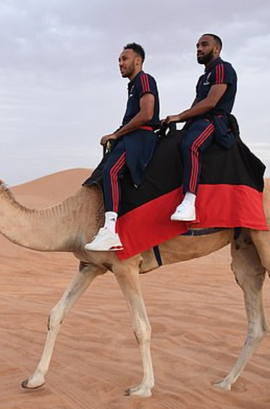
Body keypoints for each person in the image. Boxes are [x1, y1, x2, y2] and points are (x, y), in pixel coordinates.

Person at [85, 42, 160, 251]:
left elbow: (146, 114)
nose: (120, 63)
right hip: (131, 137)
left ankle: (110, 231)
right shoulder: (133, 86)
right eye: (119, 60)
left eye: (124, 59)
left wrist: (117, 134)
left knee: (111, 171)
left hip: (140, 138)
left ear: (138, 61)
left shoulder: (144, 79)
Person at [162, 33, 238, 221]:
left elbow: (210, 103)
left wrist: (179, 116)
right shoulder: (204, 77)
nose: (199, 49)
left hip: (214, 120)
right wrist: (177, 121)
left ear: (217, 49)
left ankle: (189, 201)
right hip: (198, 121)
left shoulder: (223, 68)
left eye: (204, 45)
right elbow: (196, 105)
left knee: (191, 145)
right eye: (197, 46)